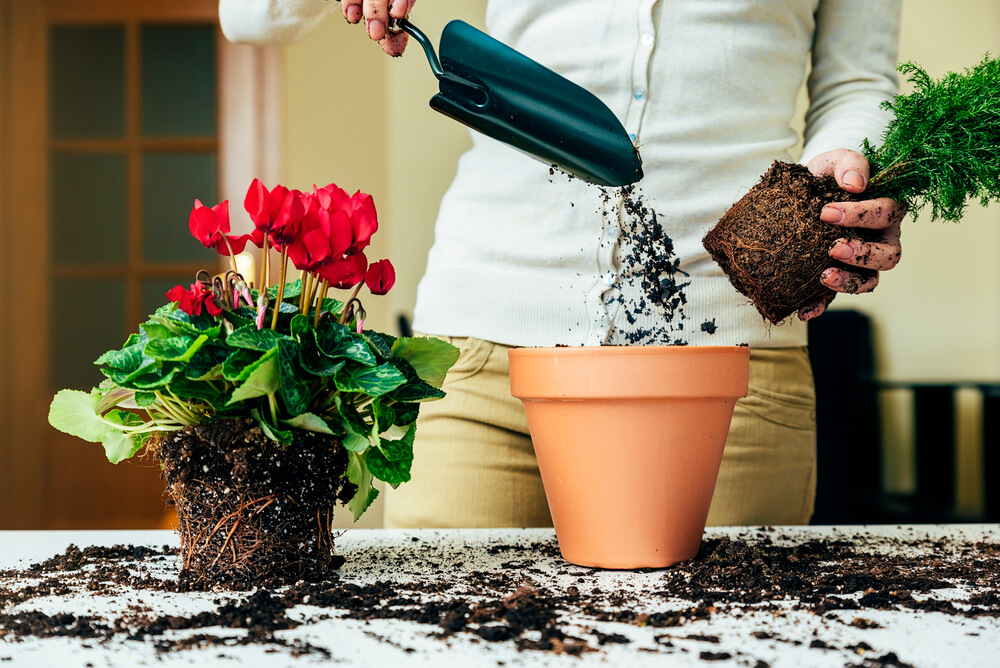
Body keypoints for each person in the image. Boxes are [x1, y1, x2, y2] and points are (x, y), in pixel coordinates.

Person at [219, 0, 906, 527]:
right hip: (486, 360)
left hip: (727, 363)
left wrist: (845, 169)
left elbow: (859, 80)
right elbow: (247, 16)